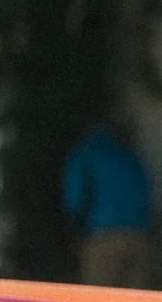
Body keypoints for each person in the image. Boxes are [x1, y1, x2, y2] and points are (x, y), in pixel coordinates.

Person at [64, 122, 154, 287]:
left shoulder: (87, 152)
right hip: (139, 236)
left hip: (104, 236)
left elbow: (75, 199)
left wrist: (76, 231)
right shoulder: (129, 155)